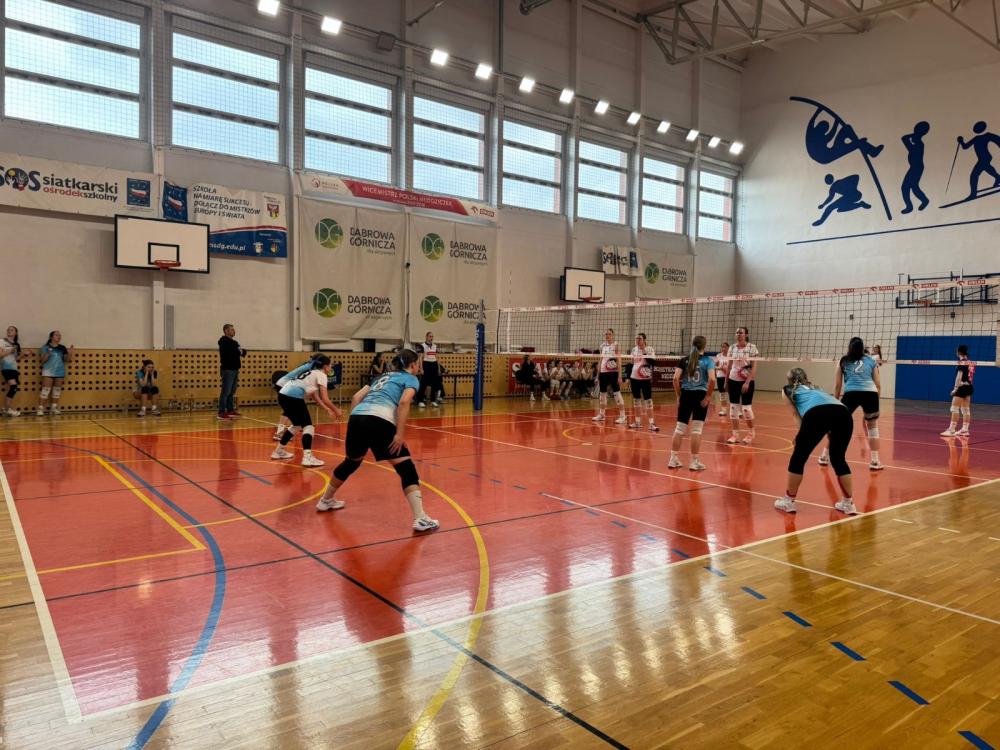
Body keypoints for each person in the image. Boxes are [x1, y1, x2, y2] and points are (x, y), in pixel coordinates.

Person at [316, 349, 439, 532]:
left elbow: (356, 397)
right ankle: (420, 518)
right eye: (418, 363)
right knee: (406, 469)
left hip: (357, 418)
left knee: (351, 462)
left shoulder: (381, 376)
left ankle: (325, 500)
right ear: (413, 365)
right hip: (379, 419)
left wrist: (355, 423)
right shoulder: (411, 378)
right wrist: (399, 434)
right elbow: (404, 402)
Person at [774, 368, 857, 516]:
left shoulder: (787, 390)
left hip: (816, 414)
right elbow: (829, 409)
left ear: (789, 380)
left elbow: (796, 415)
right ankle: (848, 504)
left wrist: (800, 435)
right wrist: (830, 431)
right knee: (838, 458)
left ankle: (788, 501)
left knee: (799, 458)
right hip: (844, 413)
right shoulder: (816, 387)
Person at [820, 337, 882, 470]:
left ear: (850, 347)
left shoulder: (843, 361)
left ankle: (825, 456)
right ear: (862, 348)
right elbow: (877, 384)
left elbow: (838, 385)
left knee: (837, 425)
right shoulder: (872, 360)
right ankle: (875, 461)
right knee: (872, 427)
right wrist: (876, 400)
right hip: (870, 394)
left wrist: (835, 402)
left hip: (851, 393)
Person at [271, 355, 342, 467]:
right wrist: (336, 410)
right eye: (330, 365)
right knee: (308, 427)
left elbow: (315, 396)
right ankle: (307, 458)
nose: (331, 367)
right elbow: (325, 398)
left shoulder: (312, 373)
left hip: (283, 395)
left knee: (297, 425)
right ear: (325, 367)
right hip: (293, 397)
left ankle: (278, 451)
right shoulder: (322, 375)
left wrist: (327, 409)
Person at [668, 336, 715, 471]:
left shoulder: (684, 360)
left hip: (686, 394)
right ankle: (694, 462)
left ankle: (673, 459)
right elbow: (712, 380)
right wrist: (708, 396)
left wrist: (679, 396)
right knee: (696, 429)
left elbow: (675, 378)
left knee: (679, 428)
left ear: (693, 344)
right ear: (704, 346)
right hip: (700, 395)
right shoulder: (708, 361)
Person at [272, 354, 323, 441]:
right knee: (290, 410)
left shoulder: (309, 365)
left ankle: (294, 427)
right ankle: (280, 433)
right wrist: (321, 402)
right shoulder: (312, 368)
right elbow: (313, 392)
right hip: (286, 385)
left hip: (284, 384)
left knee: (292, 409)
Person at [726, 327, 758, 444]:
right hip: (733, 379)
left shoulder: (752, 347)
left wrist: (747, 382)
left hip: (746, 381)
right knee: (733, 408)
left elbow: (754, 367)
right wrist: (726, 381)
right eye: (737, 332)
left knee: (746, 409)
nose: (738, 334)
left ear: (746, 335)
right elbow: (729, 366)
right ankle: (735, 435)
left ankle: (751, 433)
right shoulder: (732, 347)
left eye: (741, 332)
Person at [593, 329, 627, 424]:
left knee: (617, 393)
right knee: (602, 394)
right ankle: (602, 414)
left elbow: (619, 361)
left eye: (609, 334)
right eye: (606, 334)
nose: (607, 335)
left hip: (613, 372)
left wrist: (620, 376)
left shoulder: (616, 345)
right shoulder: (602, 346)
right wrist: (597, 376)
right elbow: (600, 361)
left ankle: (623, 416)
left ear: (613, 335)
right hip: (603, 373)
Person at [941, 344, 975, 437]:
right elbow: (970, 376)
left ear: (958, 352)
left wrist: (955, 388)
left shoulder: (961, 362)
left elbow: (959, 376)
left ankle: (951, 430)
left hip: (961, 387)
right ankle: (965, 430)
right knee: (965, 410)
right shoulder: (971, 362)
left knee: (954, 408)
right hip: (969, 386)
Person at [37, 331, 73, 416]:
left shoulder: (62, 347)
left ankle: (54, 408)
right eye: (57, 335)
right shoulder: (45, 347)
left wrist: (70, 353)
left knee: (57, 390)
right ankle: (40, 409)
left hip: (59, 371)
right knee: (46, 390)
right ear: (51, 337)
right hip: (48, 371)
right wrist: (48, 353)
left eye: (60, 335)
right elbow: (42, 360)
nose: (59, 336)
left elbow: (66, 360)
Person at [628, 333, 658, 432]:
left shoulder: (650, 349)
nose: (637, 340)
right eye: (637, 339)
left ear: (644, 340)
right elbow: (631, 364)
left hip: (645, 379)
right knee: (636, 400)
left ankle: (651, 424)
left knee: (648, 400)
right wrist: (628, 378)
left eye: (639, 339)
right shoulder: (634, 349)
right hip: (634, 378)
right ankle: (637, 422)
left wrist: (645, 353)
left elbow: (653, 363)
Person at [217, 323, 246, 420]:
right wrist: (238, 351)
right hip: (227, 370)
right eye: (232, 329)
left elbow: (243, 352)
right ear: (226, 331)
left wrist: (239, 351)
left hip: (235, 369)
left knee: (232, 392)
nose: (234, 331)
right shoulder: (224, 342)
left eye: (234, 329)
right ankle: (221, 412)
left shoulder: (234, 342)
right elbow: (235, 351)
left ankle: (230, 410)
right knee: (226, 391)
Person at [415, 332, 442, 409]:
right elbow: (420, 358)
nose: (431, 338)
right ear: (426, 337)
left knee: (434, 384)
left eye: (432, 336)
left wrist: (438, 368)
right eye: (430, 336)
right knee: (424, 383)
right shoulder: (422, 346)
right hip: (426, 364)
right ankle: (420, 401)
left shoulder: (435, 346)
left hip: (434, 365)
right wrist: (421, 368)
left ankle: (433, 400)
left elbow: (437, 358)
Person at [1, 326, 24, 416]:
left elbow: (15, 358)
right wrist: (9, 351)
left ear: (16, 333)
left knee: (13, 388)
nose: (9, 331)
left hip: (14, 368)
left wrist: (23, 354)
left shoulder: (16, 344)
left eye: (11, 330)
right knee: (13, 387)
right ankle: (8, 409)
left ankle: (5, 409)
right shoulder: (2, 341)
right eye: (8, 330)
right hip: (6, 368)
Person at [714, 342, 730, 417]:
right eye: (722, 347)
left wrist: (727, 369)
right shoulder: (718, 356)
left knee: (732, 393)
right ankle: (724, 410)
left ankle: (737, 410)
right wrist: (720, 368)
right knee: (722, 393)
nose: (723, 348)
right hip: (720, 376)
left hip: (729, 376)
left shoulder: (731, 356)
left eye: (725, 347)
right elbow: (714, 366)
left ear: (728, 348)